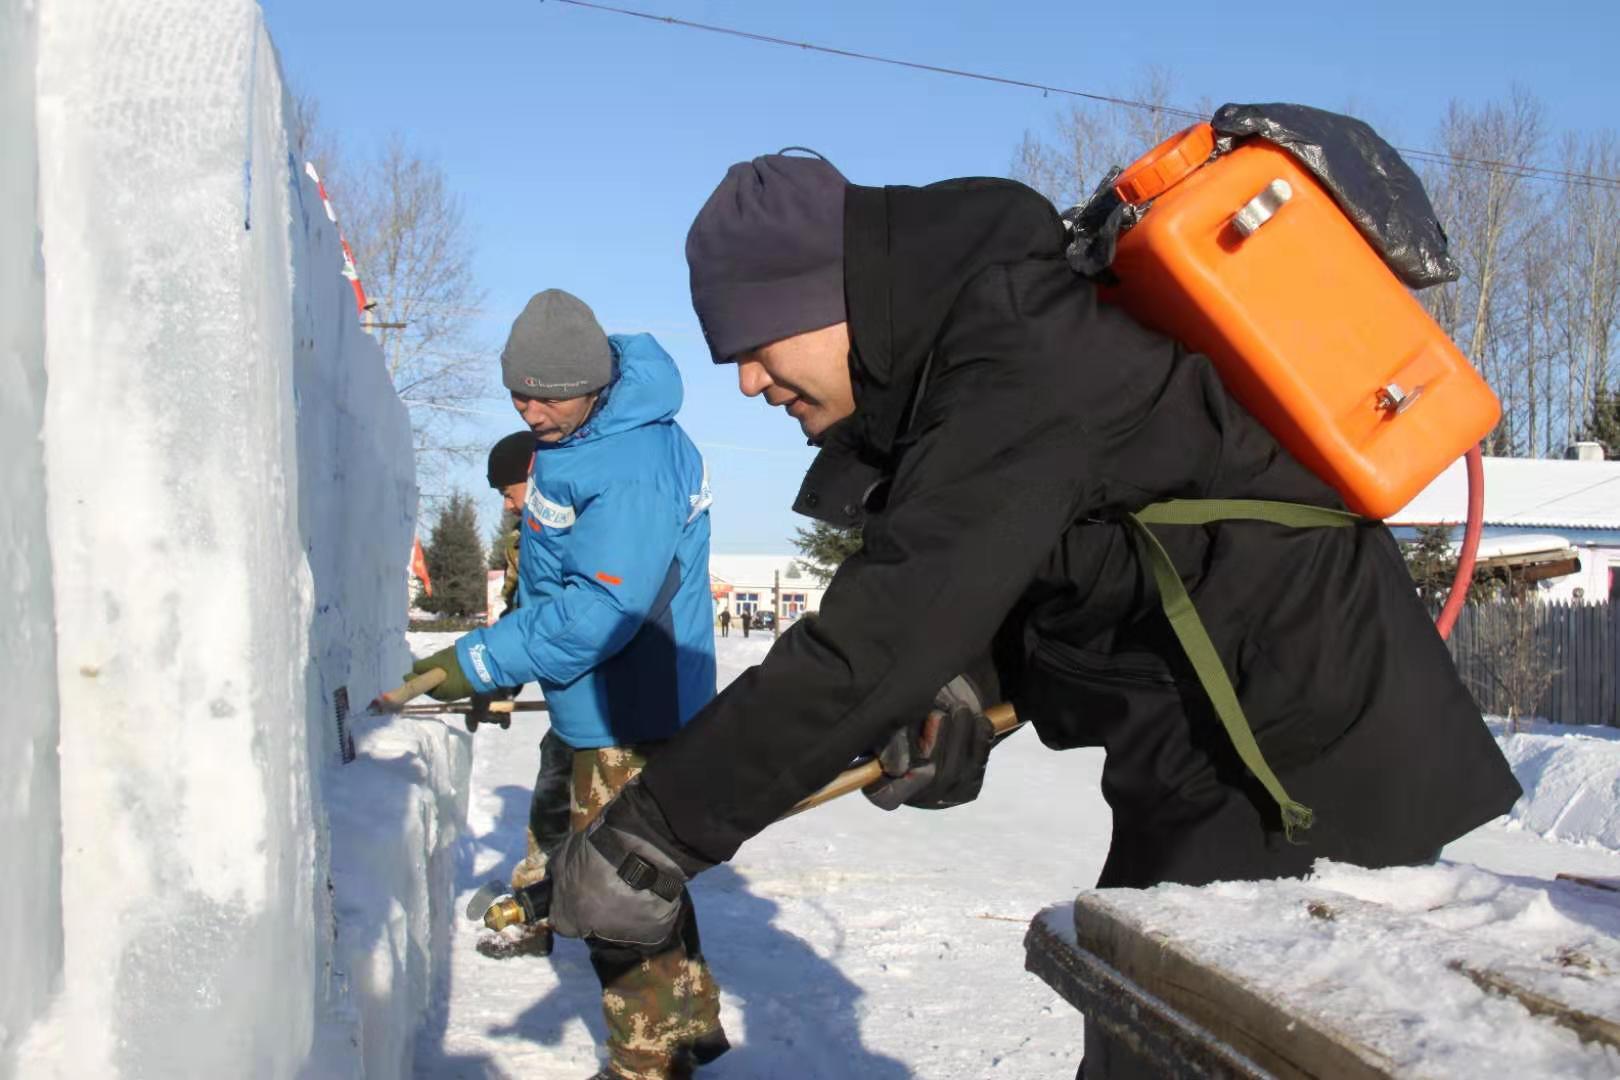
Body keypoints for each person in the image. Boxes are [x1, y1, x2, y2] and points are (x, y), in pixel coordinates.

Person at [535, 153, 1524, 1077]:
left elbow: (887, 626)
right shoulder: (978, 356)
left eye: (753, 345)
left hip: (1287, 748)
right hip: (1219, 735)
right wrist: (972, 680)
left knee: (1183, 1041)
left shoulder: (1013, 342)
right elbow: (1074, 551)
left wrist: (655, 828)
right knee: (1150, 1019)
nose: (749, 381)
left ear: (825, 298)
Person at [407, 289, 727, 1080]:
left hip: (635, 703)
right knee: (644, 874)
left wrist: (482, 658)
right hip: (600, 699)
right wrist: (511, 651)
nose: (529, 411)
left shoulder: (633, 460)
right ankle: (686, 1026)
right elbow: (552, 580)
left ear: (591, 384)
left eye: (545, 397)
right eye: (518, 394)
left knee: (618, 894)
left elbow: (600, 608)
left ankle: (644, 1063)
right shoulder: (583, 434)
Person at [477, 429, 572, 961]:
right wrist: (498, 679)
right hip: (575, 703)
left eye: (508, 489)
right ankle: (538, 914)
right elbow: (522, 618)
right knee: (554, 796)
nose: (507, 503)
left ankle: (541, 914)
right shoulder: (528, 536)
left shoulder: (573, 523)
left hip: (615, 699)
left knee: (571, 805)